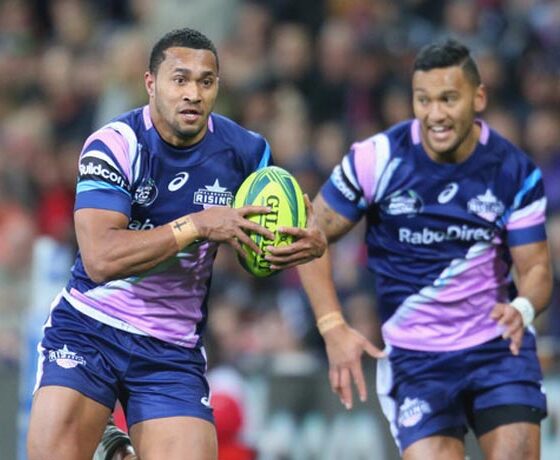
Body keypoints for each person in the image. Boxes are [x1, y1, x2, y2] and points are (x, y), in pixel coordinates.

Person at [27, 27, 325, 460]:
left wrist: (307, 252)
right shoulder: (115, 144)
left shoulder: (247, 152)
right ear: (151, 83)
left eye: (206, 82)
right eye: (180, 79)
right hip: (90, 327)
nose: (193, 94)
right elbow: (100, 259)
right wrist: (197, 225)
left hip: (170, 349)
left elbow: (289, 231)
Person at [276, 38, 552, 459]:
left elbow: (537, 269)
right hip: (415, 360)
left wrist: (524, 308)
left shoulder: (514, 171)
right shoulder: (376, 160)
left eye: (448, 99)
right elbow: (308, 236)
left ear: (478, 98)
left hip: (497, 348)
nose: (435, 114)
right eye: (423, 100)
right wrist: (332, 327)